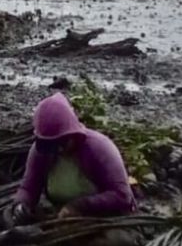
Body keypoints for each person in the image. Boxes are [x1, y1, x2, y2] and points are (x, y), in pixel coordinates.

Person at [9, 92, 135, 224]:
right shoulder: (41, 151)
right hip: (61, 216)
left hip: (106, 219)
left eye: (62, 143)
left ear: (73, 135)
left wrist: (79, 206)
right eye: (51, 145)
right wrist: (21, 204)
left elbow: (123, 196)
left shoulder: (98, 148)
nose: (58, 150)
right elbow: (29, 188)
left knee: (93, 243)